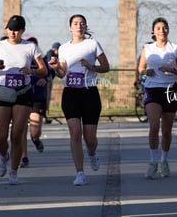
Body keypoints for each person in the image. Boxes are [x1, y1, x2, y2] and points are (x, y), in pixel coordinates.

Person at [0, 15, 47, 185]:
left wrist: (31, 72)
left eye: (16, 29)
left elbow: (43, 70)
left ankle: (14, 171)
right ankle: (4, 156)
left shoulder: (30, 47)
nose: (12, 32)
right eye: (10, 29)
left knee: (17, 135)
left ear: (23, 31)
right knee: (0, 137)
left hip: (23, 93)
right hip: (3, 93)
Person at [48, 14, 110, 186]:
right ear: (70, 27)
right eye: (75, 23)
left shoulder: (93, 44)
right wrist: (55, 68)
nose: (79, 26)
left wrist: (92, 67)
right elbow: (62, 73)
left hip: (89, 93)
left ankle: (92, 153)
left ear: (85, 27)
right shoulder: (63, 48)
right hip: (70, 93)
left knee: (90, 138)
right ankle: (80, 172)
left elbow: (106, 67)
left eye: (82, 23)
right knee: (75, 132)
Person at [137, 17, 177, 179]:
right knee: (154, 126)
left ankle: (164, 161)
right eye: (158, 28)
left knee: (166, 131)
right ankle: (153, 162)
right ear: (153, 31)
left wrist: (172, 70)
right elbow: (140, 69)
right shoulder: (147, 48)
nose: (162, 31)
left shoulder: (175, 49)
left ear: (168, 30)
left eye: (164, 28)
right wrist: (146, 72)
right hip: (153, 90)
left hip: (170, 91)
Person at [19, 36, 51, 168]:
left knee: (35, 129)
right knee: (21, 129)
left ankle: (36, 139)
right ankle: (24, 157)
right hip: (22, 96)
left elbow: (49, 74)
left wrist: (46, 79)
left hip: (37, 97)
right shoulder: (20, 59)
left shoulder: (42, 60)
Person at [43, 41, 61, 122]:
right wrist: (49, 76)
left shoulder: (54, 55)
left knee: (47, 97)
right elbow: (50, 66)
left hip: (47, 78)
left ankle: (45, 115)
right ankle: (44, 116)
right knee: (46, 97)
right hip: (46, 79)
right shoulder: (51, 54)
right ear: (56, 49)